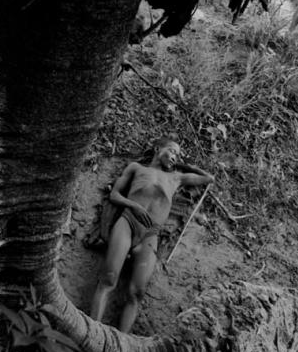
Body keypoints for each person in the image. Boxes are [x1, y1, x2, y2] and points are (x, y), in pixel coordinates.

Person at [90, 135, 214, 332]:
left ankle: (122, 344)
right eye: (172, 151)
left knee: (136, 293)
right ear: (157, 149)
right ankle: (92, 333)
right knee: (108, 279)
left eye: (178, 154)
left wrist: (183, 164)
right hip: (128, 222)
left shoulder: (177, 178)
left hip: (150, 234)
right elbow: (114, 194)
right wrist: (134, 206)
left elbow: (209, 178)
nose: (174, 156)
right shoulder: (137, 168)